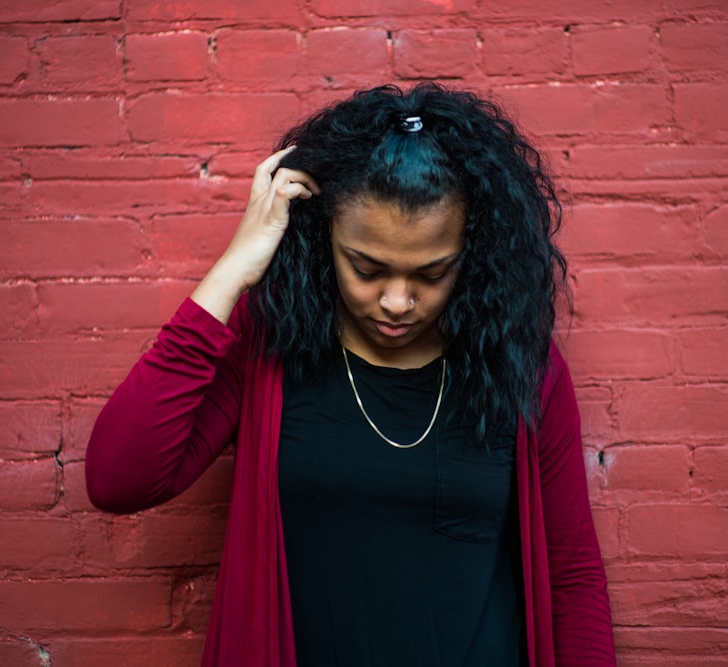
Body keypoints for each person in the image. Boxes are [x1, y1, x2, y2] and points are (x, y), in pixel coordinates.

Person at [86, 83, 615, 667]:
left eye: (432, 274)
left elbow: (572, 577)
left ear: (474, 253)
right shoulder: (268, 350)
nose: (396, 300)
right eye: (367, 268)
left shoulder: (520, 367)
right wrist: (237, 266)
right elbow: (119, 479)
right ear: (324, 238)